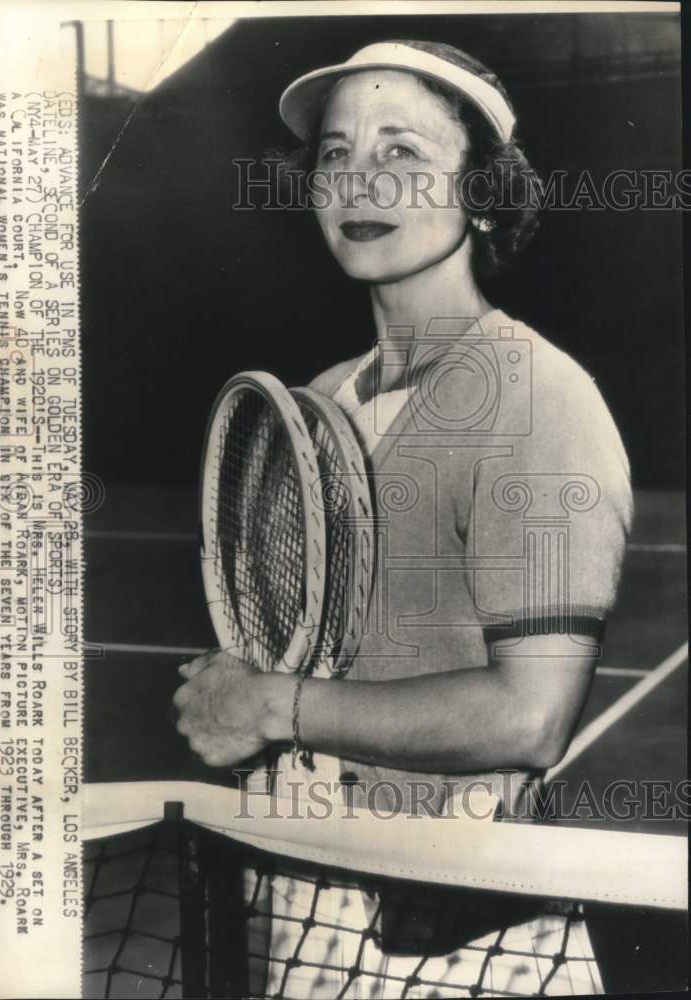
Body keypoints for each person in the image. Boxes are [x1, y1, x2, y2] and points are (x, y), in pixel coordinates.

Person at [174, 40, 633, 996]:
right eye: (335, 155)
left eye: (404, 153)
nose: (359, 180)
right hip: (303, 894)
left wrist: (268, 703)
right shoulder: (318, 402)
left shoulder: (542, 396)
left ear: (483, 192)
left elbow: (530, 717)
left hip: (458, 932)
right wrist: (242, 691)